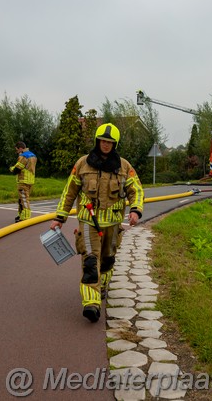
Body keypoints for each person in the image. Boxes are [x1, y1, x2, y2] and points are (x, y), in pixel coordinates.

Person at [49, 123, 144, 323]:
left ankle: (100, 287)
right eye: (103, 141)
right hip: (88, 222)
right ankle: (91, 305)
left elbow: (136, 189)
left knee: (108, 259)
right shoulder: (83, 164)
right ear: (97, 141)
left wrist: (136, 210)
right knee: (91, 262)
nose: (106, 145)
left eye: (110, 142)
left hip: (113, 225)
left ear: (115, 144)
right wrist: (60, 217)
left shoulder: (124, 166)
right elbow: (70, 191)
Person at [9, 141, 37, 222]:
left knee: (24, 199)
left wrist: (11, 168)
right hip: (30, 180)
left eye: (17, 150)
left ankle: (25, 218)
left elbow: (17, 169)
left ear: (20, 148)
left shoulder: (23, 156)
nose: (16, 151)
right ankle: (21, 215)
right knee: (21, 199)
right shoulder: (33, 155)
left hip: (23, 180)